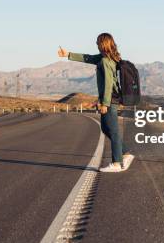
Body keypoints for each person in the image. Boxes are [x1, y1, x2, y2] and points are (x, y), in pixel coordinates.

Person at [57, 33, 134, 172]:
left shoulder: (106, 61)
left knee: (114, 131)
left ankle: (117, 163)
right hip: (110, 99)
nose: (96, 45)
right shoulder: (104, 58)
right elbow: (88, 58)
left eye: (98, 42)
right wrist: (67, 54)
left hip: (110, 99)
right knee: (106, 128)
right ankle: (126, 154)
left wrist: (104, 103)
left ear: (103, 44)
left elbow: (109, 83)